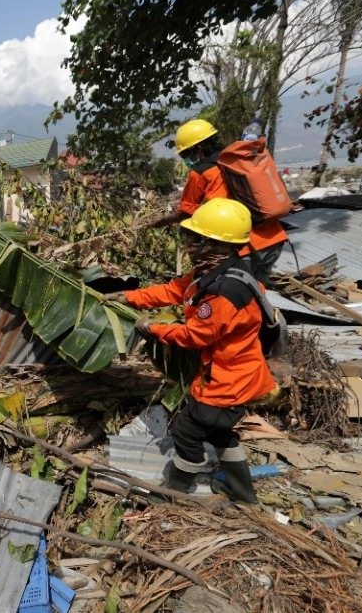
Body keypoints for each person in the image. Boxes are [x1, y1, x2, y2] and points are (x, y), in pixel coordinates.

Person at [104, 198, 277, 504]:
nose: (189, 244)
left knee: (186, 431)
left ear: (215, 244)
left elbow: (197, 335)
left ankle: (175, 490)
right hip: (229, 374)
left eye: (196, 239)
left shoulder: (226, 291)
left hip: (230, 381)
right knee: (219, 434)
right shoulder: (214, 274)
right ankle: (243, 492)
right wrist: (129, 298)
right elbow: (172, 291)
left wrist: (152, 329)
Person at [150, 119, 288, 282]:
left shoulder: (201, 172)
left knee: (231, 297)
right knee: (255, 295)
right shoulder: (236, 162)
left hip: (245, 248)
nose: (186, 159)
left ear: (198, 148)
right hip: (275, 240)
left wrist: (159, 221)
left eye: (186, 154)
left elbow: (185, 212)